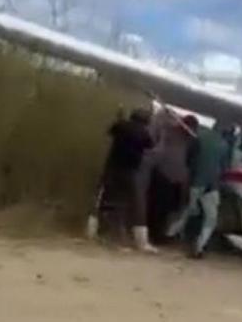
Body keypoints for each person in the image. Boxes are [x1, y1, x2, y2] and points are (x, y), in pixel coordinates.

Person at [85, 106, 156, 251]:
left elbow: (111, 130)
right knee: (135, 205)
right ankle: (140, 242)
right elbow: (151, 144)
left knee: (102, 200)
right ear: (145, 121)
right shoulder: (143, 132)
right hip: (130, 172)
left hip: (111, 169)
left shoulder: (121, 126)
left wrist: (119, 118)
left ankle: (92, 232)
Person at [166, 115, 231, 258]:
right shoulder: (225, 145)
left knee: (188, 211)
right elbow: (225, 169)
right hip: (212, 185)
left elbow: (189, 159)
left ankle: (170, 235)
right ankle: (199, 247)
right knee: (211, 218)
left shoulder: (199, 137)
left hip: (195, 181)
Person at [141, 109, 192, 245]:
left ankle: (155, 233)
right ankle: (156, 235)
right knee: (162, 208)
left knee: (158, 207)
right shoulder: (185, 138)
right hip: (169, 176)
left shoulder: (171, 133)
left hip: (164, 174)